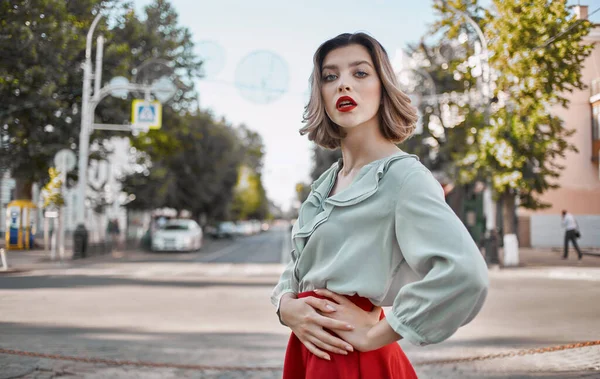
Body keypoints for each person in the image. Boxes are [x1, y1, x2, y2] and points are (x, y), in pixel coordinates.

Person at [270, 32, 489, 379]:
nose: (343, 85)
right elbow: (297, 269)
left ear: (382, 86)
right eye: (330, 76)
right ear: (321, 94)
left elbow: (465, 274)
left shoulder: (404, 178)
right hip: (308, 352)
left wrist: (378, 334)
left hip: (352, 357)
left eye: (359, 73)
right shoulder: (327, 183)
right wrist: (286, 307)